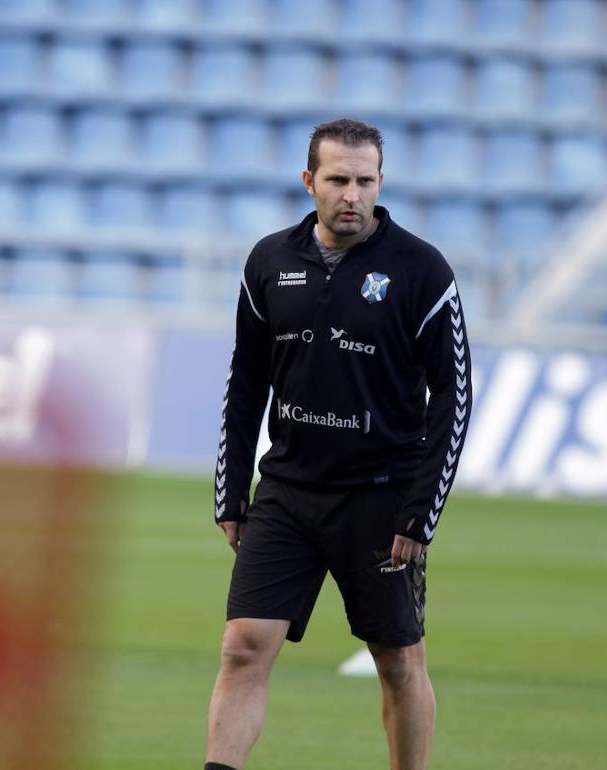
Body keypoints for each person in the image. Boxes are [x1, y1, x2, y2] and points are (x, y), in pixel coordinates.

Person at [205, 118, 473, 770]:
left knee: (399, 663)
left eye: (365, 180)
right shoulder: (269, 261)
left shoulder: (420, 270)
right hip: (289, 491)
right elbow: (246, 383)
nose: (352, 194)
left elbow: (455, 398)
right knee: (243, 644)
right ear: (309, 182)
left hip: (381, 499)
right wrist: (232, 492)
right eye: (338, 180)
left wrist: (419, 512)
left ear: (381, 183)